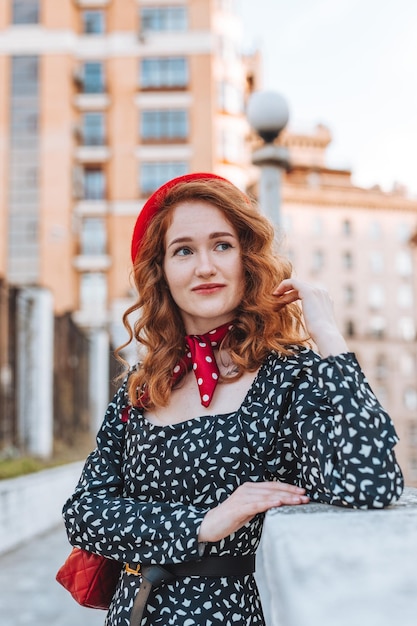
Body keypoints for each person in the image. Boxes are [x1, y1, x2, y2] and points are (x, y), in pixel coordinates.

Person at [62, 172, 404, 626]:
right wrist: (204, 523)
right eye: (183, 250)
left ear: (247, 258)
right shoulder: (144, 388)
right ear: (161, 271)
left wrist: (330, 337)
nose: (205, 266)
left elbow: (372, 481)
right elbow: (84, 515)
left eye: (222, 245)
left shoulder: (288, 375)